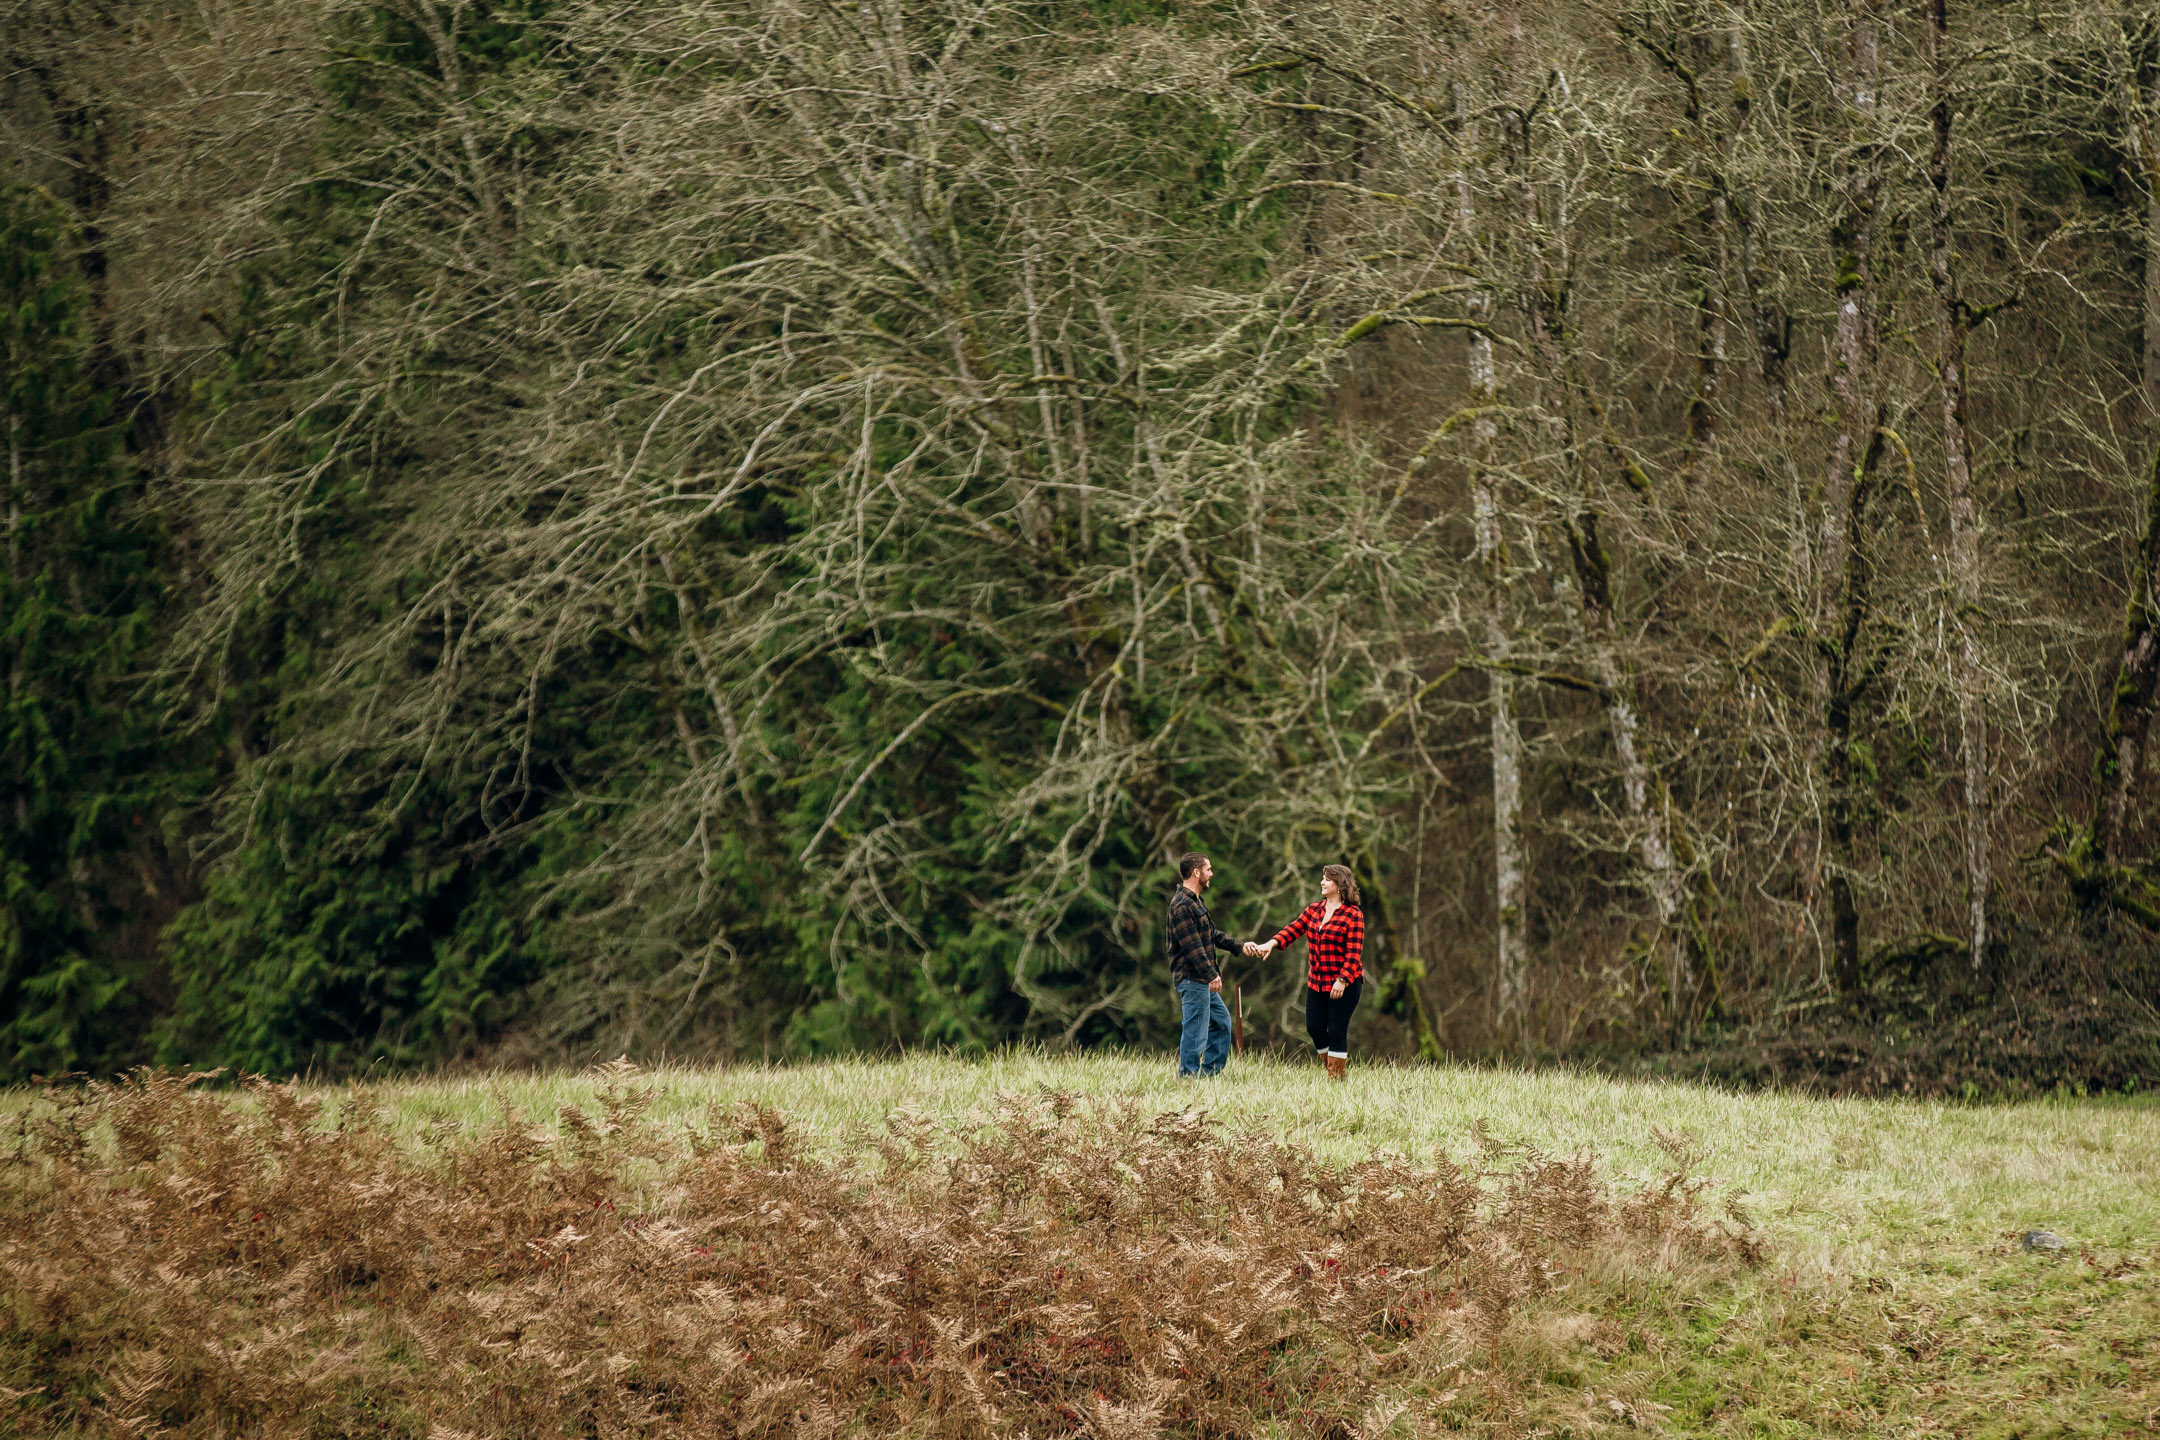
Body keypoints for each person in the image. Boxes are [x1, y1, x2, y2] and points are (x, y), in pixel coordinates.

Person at [1251, 864, 1365, 1080]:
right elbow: (1293, 929)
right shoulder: (1314, 910)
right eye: (1322, 878)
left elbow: (1354, 953)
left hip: (1345, 983)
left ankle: (1336, 1079)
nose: (1322, 882)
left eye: (1327, 879)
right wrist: (1270, 944)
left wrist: (1342, 980)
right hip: (1317, 982)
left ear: (1340, 885)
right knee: (1314, 1027)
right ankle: (1332, 1070)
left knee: (1337, 1029)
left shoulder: (1353, 915)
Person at [1166, 851, 1243, 1078]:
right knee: (1196, 1030)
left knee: (1221, 1023)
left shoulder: (1195, 901)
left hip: (1200, 978)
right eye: (1208, 869)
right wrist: (1211, 974)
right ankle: (1188, 1077)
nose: (1211, 874)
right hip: (1192, 978)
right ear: (1196, 872)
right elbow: (1193, 947)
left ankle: (1209, 1075)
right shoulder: (1181, 905)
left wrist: (1239, 946)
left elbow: (1210, 935)